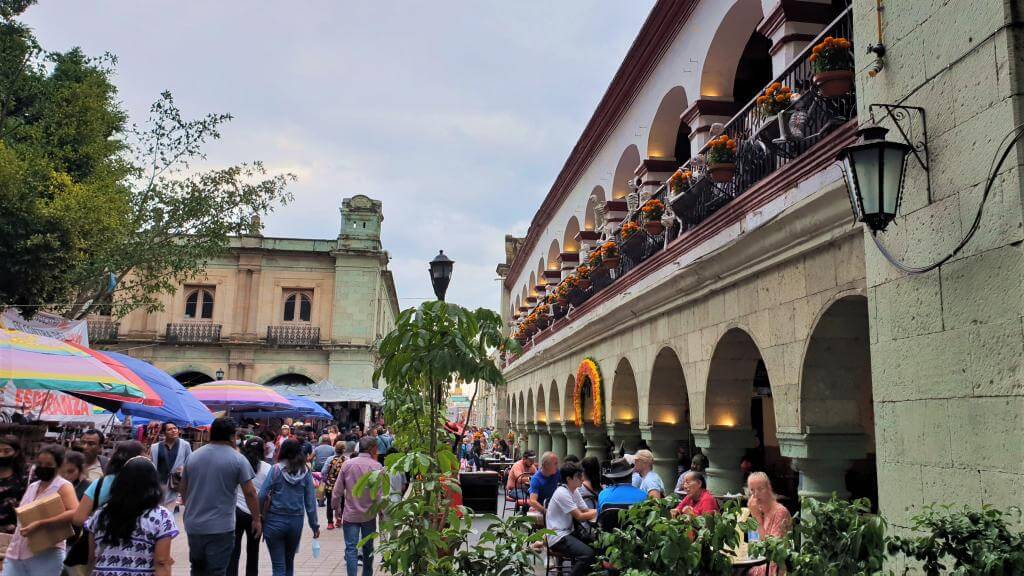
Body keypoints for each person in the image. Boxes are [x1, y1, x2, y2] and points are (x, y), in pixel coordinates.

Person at [180, 417, 261, 576]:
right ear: (232, 436)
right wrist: (256, 519)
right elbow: (250, 493)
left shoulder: (194, 456)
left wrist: (190, 508)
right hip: (221, 527)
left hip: (194, 525)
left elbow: (183, 489)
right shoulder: (238, 459)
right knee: (217, 571)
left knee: (197, 569)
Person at [85, 456, 178, 576]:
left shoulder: (101, 514)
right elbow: (161, 561)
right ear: (154, 482)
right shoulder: (162, 516)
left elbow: (92, 557)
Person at [2, 445, 78, 576]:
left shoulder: (63, 486)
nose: (43, 467)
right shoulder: (33, 486)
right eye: (40, 463)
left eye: (48, 464)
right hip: (17, 552)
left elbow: (74, 512)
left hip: (46, 553)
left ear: (58, 465)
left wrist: (41, 523)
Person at [260, 439, 320, 576]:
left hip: (274, 521)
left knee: (278, 566)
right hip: (295, 522)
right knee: (289, 563)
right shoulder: (305, 471)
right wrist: (314, 526)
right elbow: (310, 503)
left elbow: (262, 494)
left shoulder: (275, 469)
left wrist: (258, 518)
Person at [333, 436, 382, 576]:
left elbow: (337, 490)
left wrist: (336, 508)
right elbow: (380, 495)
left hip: (350, 514)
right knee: (368, 548)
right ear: (373, 449)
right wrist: (382, 513)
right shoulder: (377, 467)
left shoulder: (347, 464)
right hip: (369, 515)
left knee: (351, 548)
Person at [73, 440, 148, 528]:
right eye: (145, 456)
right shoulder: (146, 485)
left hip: (100, 539)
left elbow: (78, 519)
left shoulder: (99, 484)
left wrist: (99, 527)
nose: (148, 458)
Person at [229, 437, 272, 576]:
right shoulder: (267, 468)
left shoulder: (237, 464)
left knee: (233, 551)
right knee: (253, 552)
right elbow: (269, 495)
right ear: (263, 451)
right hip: (256, 514)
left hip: (236, 512)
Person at [545, 462, 596, 576]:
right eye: (578, 476)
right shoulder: (562, 493)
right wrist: (599, 511)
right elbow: (579, 516)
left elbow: (585, 510)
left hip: (569, 532)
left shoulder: (574, 490)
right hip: (557, 536)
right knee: (588, 554)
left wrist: (599, 510)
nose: (582, 479)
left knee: (597, 546)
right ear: (569, 479)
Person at [746, 472, 792, 576]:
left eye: (760, 489)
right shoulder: (758, 510)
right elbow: (753, 543)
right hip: (756, 561)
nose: (756, 495)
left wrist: (756, 516)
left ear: (769, 488)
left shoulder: (780, 512)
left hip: (774, 567)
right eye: (752, 490)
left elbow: (771, 549)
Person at [150, 422, 192, 507]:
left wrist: (183, 468)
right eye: (169, 429)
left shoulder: (185, 445)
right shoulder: (155, 447)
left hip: (175, 482)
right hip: (160, 482)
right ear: (164, 433)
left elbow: (190, 461)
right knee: (158, 506)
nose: (173, 431)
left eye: (175, 428)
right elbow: (152, 465)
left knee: (170, 509)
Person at [0, 435, 28, 534]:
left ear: (16, 453)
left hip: (14, 533)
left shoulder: (26, 477)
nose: (2, 455)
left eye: (6, 451)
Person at [320, 441, 347, 530]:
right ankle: (339, 520)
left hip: (330, 485)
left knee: (329, 503)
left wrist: (326, 479)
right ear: (344, 450)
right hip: (342, 486)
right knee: (342, 502)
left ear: (335, 449)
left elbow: (323, 472)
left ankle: (330, 523)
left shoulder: (330, 459)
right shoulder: (347, 460)